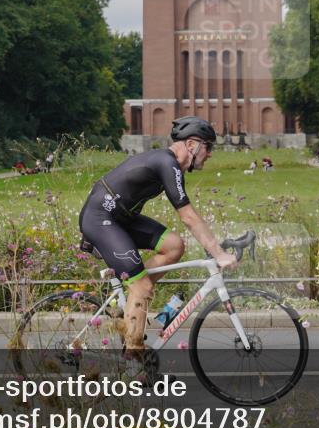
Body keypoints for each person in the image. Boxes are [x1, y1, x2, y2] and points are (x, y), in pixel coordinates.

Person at [78, 116, 238, 355]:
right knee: (141, 285)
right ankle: (134, 362)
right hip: (100, 218)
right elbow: (188, 217)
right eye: (208, 146)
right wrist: (218, 253)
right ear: (192, 145)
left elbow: (187, 218)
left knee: (174, 245)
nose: (211, 153)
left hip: (120, 218)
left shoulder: (169, 165)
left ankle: (134, 298)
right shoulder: (166, 163)